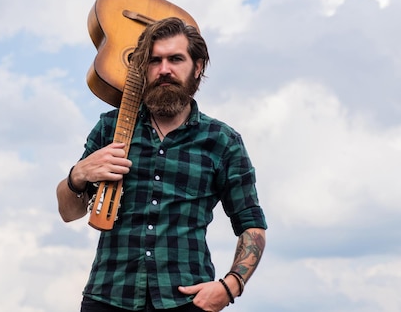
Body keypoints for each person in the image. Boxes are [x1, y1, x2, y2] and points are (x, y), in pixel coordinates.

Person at [57, 17, 267, 312]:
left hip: (186, 300)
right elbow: (69, 212)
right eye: (154, 61)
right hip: (108, 297)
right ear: (142, 69)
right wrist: (78, 175)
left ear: (198, 67)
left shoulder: (222, 141)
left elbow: (252, 226)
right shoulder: (111, 128)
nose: (164, 69)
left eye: (175, 59)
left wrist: (230, 286)